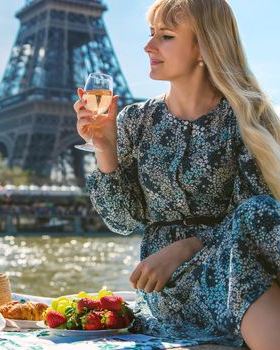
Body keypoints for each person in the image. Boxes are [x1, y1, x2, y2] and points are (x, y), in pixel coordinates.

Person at [73, 0, 280, 348]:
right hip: (171, 283)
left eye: (166, 36)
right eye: (151, 33)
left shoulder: (246, 117)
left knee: (257, 216)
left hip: (232, 259)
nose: (148, 46)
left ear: (204, 46)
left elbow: (249, 221)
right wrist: (105, 148)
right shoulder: (136, 121)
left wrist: (187, 245)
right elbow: (123, 222)